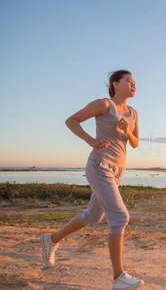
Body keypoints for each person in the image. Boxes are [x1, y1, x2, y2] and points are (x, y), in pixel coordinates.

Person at [40, 70, 144, 290]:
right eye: (129, 81)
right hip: (99, 167)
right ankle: (118, 277)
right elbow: (72, 120)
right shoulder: (104, 105)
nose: (133, 85)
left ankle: (51, 240)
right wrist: (91, 140)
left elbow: (135, 143)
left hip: (118, 171)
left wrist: (128, 131)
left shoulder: (133, 112)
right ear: (115, 83)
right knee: (119, 216)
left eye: (135, 82)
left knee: (93, 215)